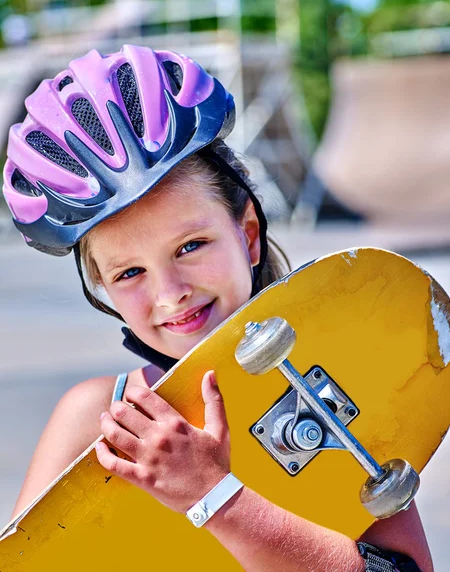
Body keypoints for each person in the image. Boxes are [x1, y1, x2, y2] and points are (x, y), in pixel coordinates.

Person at [3, 45, 432, 572]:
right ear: (102, 287)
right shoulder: (94, 422)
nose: (170, 293)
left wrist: (214, 497)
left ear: (248, 235)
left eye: (190, 247)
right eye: (129, 273)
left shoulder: (334, 396)